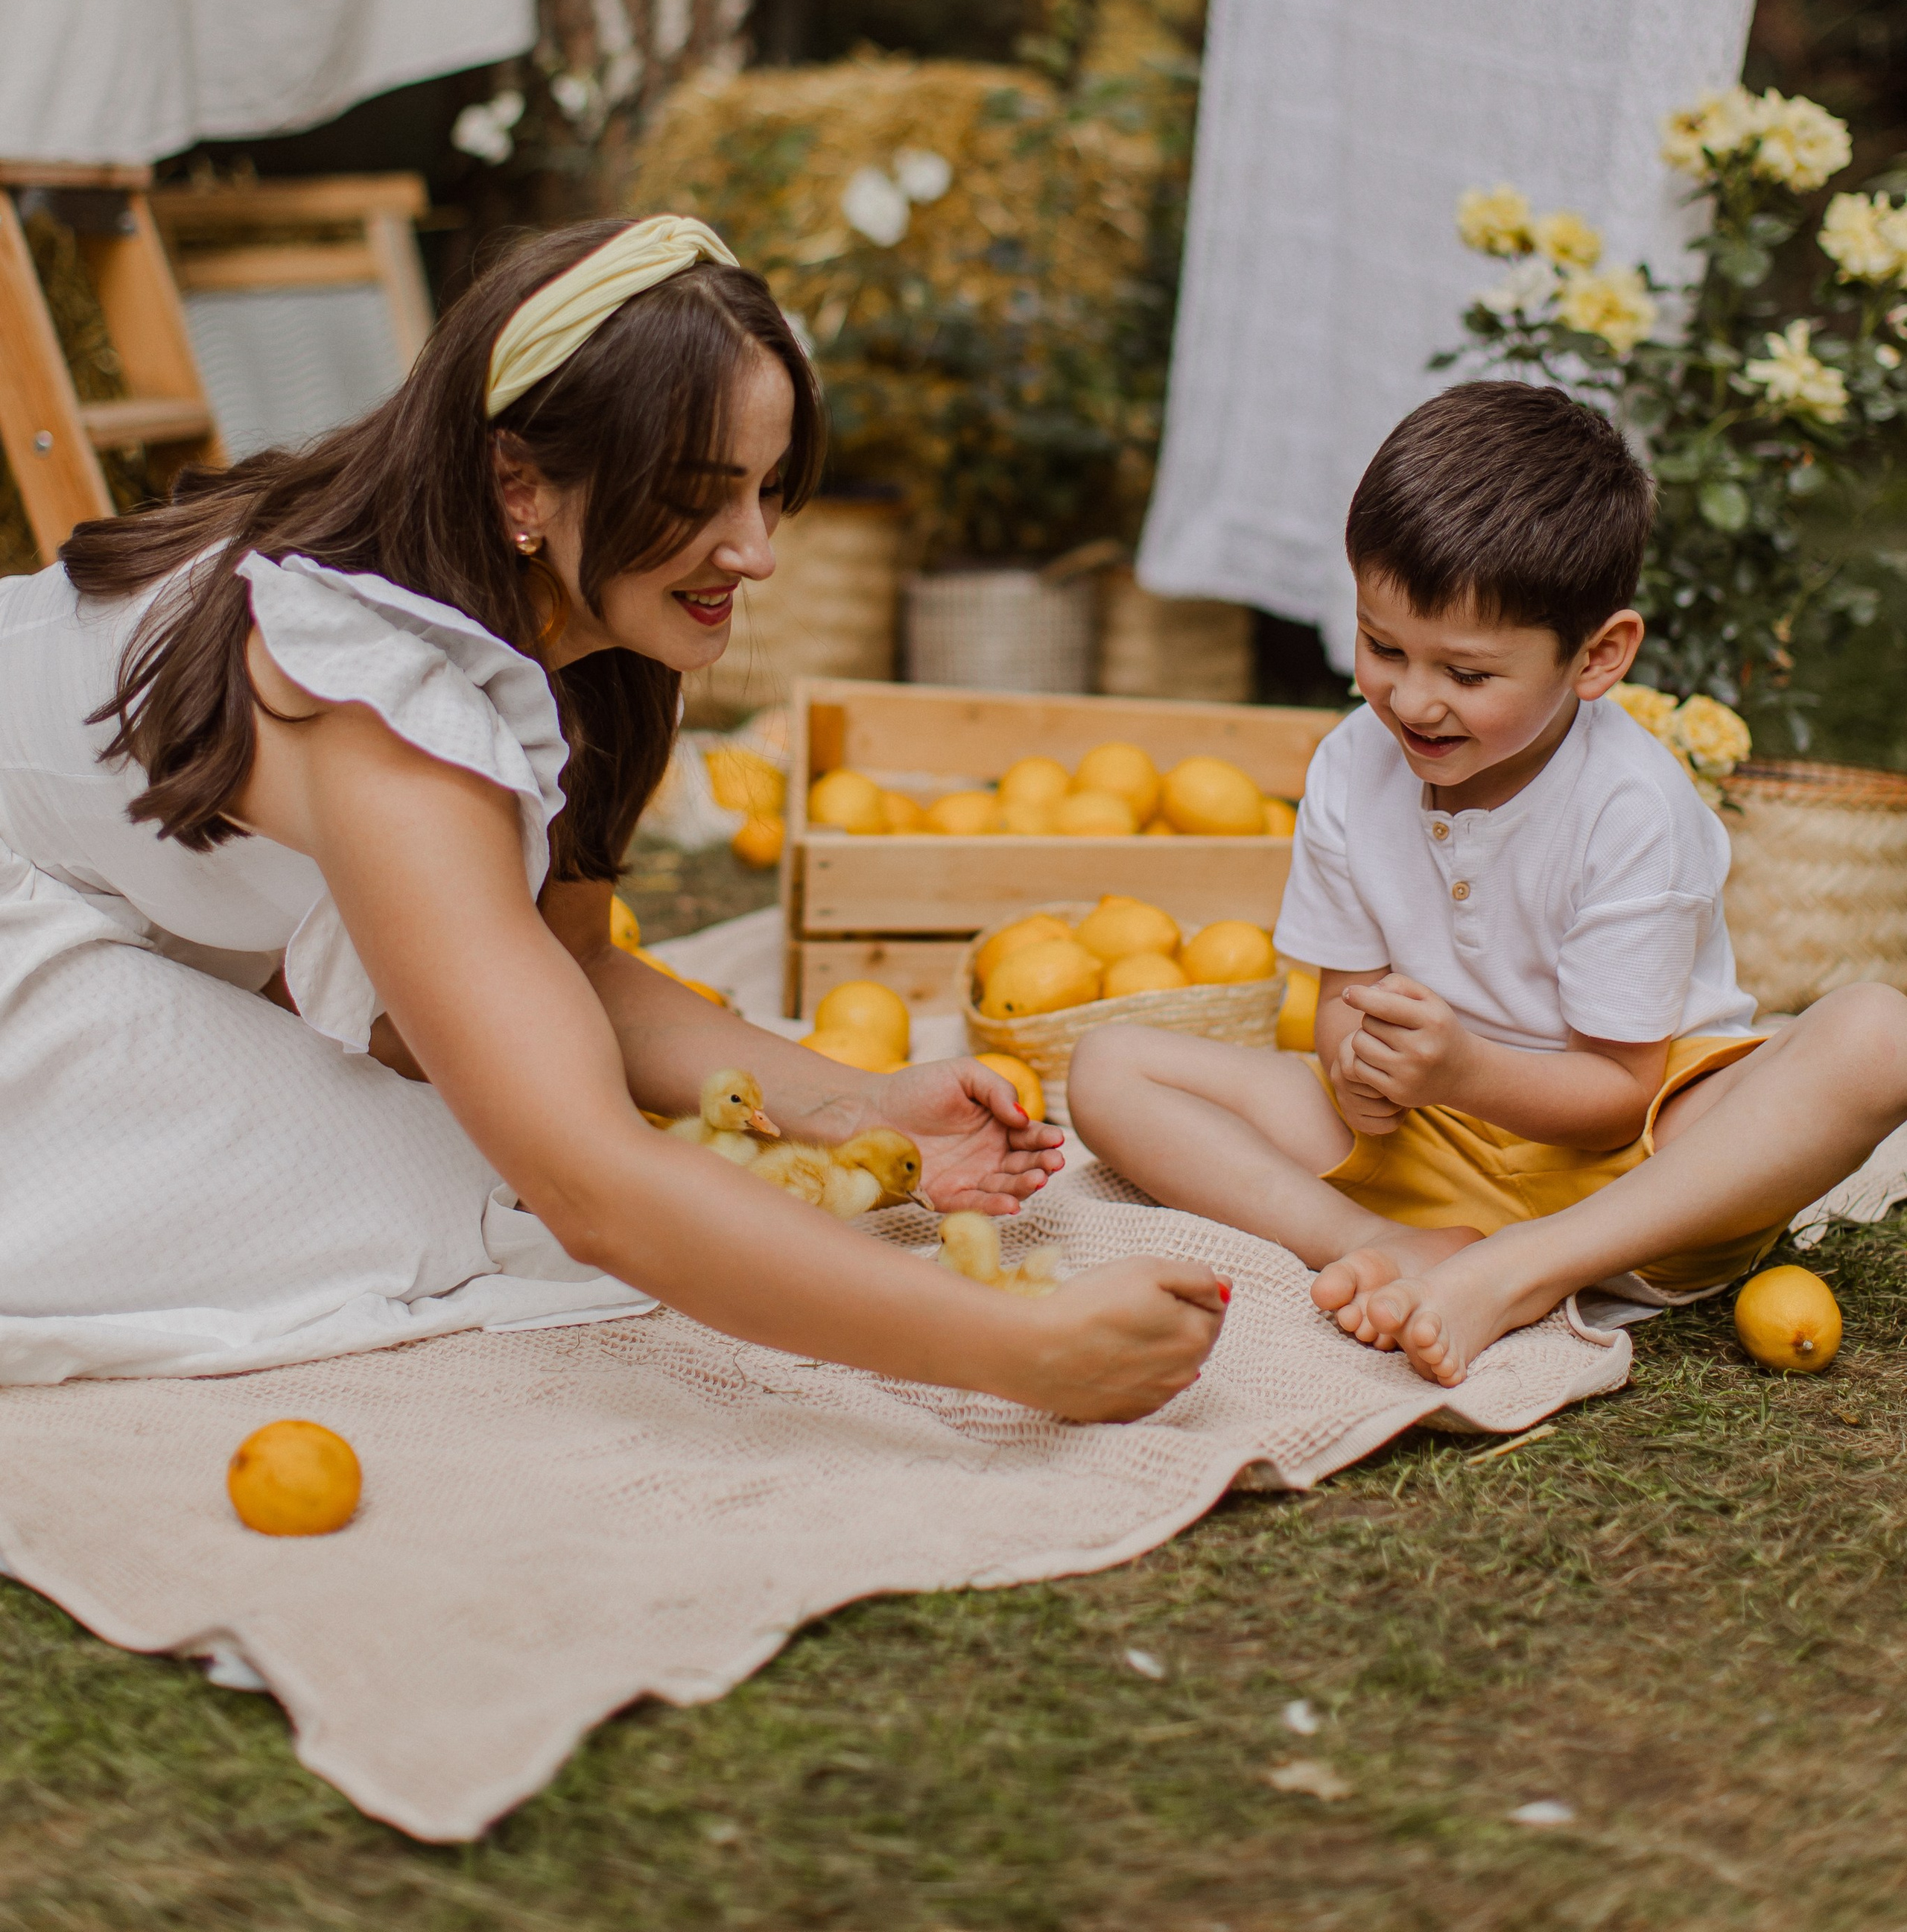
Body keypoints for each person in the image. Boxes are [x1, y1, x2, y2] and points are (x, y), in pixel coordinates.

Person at [0, 215, 1223, 1415]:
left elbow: (572, 957)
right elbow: (592, 1186)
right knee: (457, 1198)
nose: (756, 552)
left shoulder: (596, 632)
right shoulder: (382, 714)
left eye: (770, 490)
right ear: (520, 484)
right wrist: (1012, 1345)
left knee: (498, 1146)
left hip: (129, 909)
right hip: (31, 916)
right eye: (699, 497)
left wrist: (850, 1108)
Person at [1070, 380, 1907, 1386]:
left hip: (1639, 1176)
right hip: (1428, 1153)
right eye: (1383, 647)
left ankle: (1526, 1269)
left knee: (1878, 1037)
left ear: (1597, 657)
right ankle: (1377, 1243)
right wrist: (1360, 1074)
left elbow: (1617, 1095)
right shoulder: (1351, 768)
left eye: (1467, 675)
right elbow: (1343, 1005)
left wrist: (1464, 1073)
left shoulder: (1631, 806)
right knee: (1110, 1068)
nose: (1413, 701)